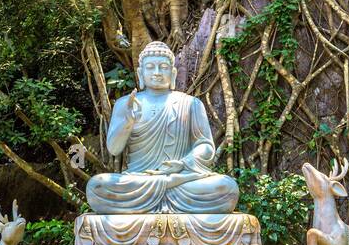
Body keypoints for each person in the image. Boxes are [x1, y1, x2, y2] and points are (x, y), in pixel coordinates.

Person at [85, 41, 238, 215]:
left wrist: (183, 163)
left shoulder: (190, 104)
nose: (157, 73)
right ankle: (166, 193)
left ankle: (161, 194)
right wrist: (127, 123)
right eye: (150, 67)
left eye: (163, 67)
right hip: (139, 181)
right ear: (140, 73)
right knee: (97, 186)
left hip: (181, 181)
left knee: (227, 187)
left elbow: (206, 147)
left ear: (173, 73)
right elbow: (114, 149)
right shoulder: (125, 104)